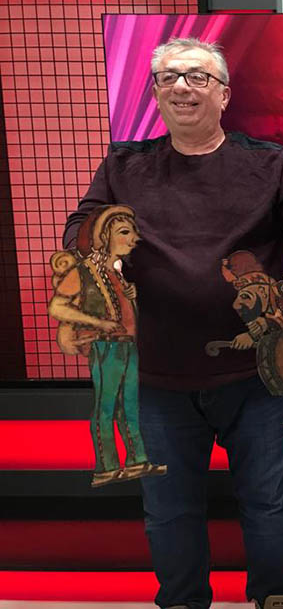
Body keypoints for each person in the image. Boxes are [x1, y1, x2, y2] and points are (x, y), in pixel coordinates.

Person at [62, 37, 283, 609]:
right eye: (167, 77)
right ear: (156, 94)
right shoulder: (124, 165)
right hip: (157, 375)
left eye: (196, 76)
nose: (181, 87)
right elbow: (83, 225)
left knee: (268, 502)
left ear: (224, 95)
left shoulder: (267, 162)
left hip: (257, 375)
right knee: (169, 510)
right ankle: (183, 601)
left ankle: (273, 597)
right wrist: (96, 255)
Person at [49, 204, 166, 487]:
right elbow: (58, 306)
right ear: (104, 237)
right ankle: (107, 465)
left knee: (130, 405)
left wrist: (133, 298)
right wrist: (97, 323)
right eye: (125, 232)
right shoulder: (84, 272)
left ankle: (137, 460)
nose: (134, 238)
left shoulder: (118, 273)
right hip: (106, 346)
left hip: (127, 345)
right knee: (106, 405)